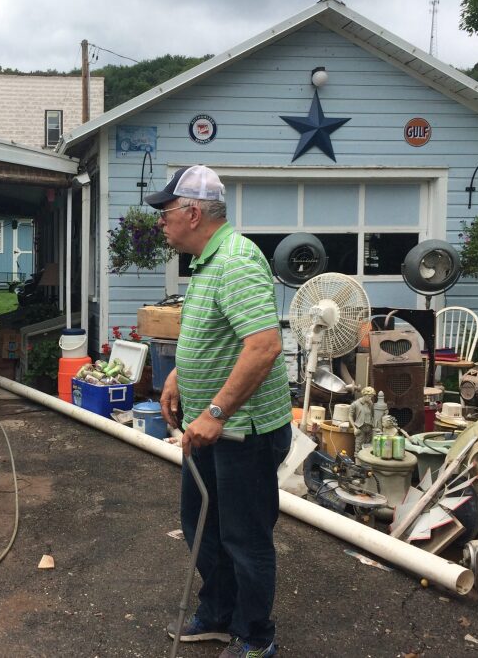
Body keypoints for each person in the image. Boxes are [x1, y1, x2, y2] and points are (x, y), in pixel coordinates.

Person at [149, 165, 292, 658]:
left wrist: (215, 411)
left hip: (243, 431)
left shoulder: (235, 260)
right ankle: (217, 614)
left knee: (244, 538)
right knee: (202, 526)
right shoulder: (207, 261)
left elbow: (264, 346)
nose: (161, 222)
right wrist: (178, 374)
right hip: (213, 427)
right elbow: (218, 335)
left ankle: (255, 637)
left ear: (192, 213)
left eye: (166, 212)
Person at [349, 386, 376, 454]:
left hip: (369, 427)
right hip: (360, 428)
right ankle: (357, 459)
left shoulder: (370, 403)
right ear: (364, 395)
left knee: (368, 447)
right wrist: (354, 428)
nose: (370, 398)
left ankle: (365, 459)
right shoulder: (355, 404)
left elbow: (372, 414)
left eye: (371, 397)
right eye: (369, 396)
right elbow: (350, 416)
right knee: (358, 447)